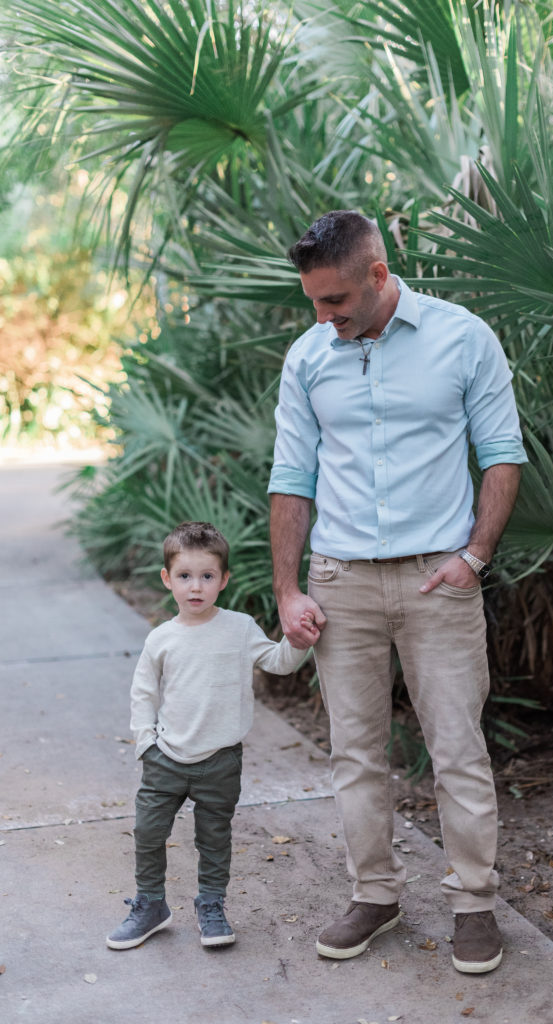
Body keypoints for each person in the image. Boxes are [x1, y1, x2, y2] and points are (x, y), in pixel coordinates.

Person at [268, 210, 527, 974]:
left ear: (378, 276)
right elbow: (292, 479)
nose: (324, 317)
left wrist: (474, 557)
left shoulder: (462, 337)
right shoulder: (309, 355)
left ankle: (474, 903)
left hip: (436, 579)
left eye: (336, 300)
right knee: (354, 754)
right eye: (314, 302)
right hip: (339, 582)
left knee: (457, 751)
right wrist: (287, 590)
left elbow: (503, 455)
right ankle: (374, 896)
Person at [106, 521, 306, 951]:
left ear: (224, 580)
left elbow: (277, 661)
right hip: (166, 758)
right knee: (147, 831)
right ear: (167, 579)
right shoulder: (161, 638)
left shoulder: (239, 628)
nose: (195, 587)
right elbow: (143, 692)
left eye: (207, 576)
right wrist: (145, 742)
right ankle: (150, 904)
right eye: (184, 576)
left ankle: (211, 904)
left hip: (219, 759)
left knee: (214, 838)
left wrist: (300, 640)